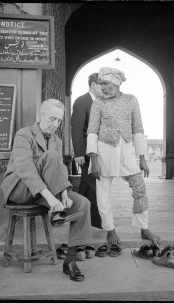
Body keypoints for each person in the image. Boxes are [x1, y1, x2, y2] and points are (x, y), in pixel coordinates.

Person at [1, 99, 93, 282]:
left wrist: (64, 195)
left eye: (59, 121)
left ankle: (70, 261)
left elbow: (59, 169)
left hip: (48, 191)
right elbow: (25, 168)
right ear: (40, 115)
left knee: (83, 203)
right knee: (50, 156)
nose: (55, 124)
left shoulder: (56, 140)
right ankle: (56, 212)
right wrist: (52, 199)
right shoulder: (24, 134)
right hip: (20, 189)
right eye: (52, 119)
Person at [86, 67, 161, 246]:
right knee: (103, 194)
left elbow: (138, 129)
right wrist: (93, 160)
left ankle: (144, 228)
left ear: (116, 82)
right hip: (104, 152)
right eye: (100, 84)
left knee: (140, 189)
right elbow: (92, 132)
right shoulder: (98, 103)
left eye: (105, 83)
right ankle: (110, 229)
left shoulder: (131, 100)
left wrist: (142, 158)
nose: (102, 87)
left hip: (126, 151)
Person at [71, 73, 103, 228]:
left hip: (97, 153)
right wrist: (78, 154)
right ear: (92, 85)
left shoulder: (99, 102)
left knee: (86, 189)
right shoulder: (81, 101)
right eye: (101, 84)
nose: (103, 88)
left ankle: (80, 221)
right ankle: (96, 224)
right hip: (85, 154)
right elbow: (76, 128)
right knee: (96, 188)